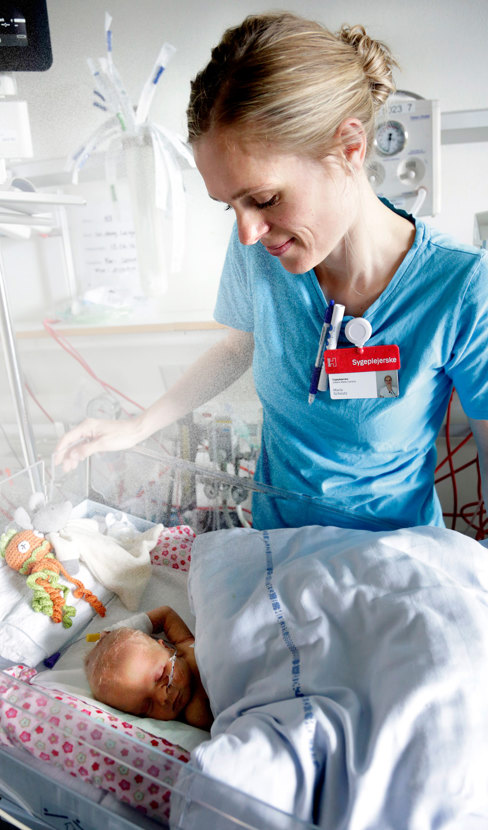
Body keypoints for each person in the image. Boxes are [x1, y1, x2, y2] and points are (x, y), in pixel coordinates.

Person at [55, 12, 488, 533]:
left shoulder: (462, 288)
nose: (246, 232)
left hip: (392, 556)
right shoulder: (263, 251)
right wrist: (138, 425)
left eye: (263, 198)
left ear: (349, 149)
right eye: (230, 206)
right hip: (278, 548)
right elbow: (239, 346)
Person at [84, 605, 213, 730]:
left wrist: (114, 630)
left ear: (166, 648)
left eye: (160, 676)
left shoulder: (183, 642)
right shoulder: (197, 713)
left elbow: (165, 614)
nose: (163, 698)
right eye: (147, 706)